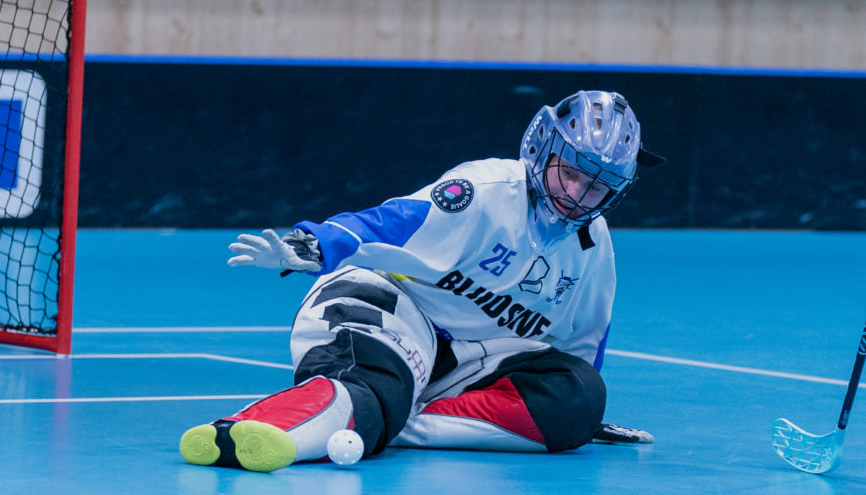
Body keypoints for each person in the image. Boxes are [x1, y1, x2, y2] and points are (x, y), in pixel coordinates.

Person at [180, 90, 662, 472]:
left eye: (597, 186)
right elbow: (392, 221)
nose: (577, 196)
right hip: (386, 309)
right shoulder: (485, 190)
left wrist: (579, 417)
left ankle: (392, 418)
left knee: (580, 398)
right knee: (371, 387)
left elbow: (582, 344)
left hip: (467, 362)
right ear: (542, 149)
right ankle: (249, 430)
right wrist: (313, 244)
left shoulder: (593, 246)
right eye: (571, 174)